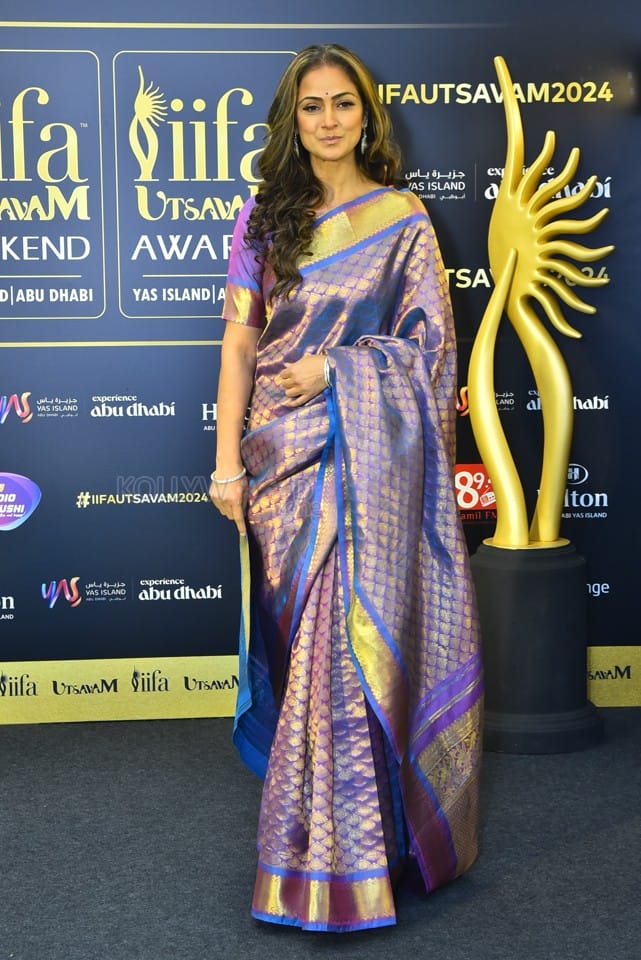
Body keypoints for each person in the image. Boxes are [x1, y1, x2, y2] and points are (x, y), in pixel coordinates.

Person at [209, 42, 482, 933]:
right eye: (312, 106)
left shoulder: (401, 220)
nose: (329, 120)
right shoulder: (262, 220)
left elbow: (430, 353)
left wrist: (337, 371)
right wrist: (224, 463)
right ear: (292, 120)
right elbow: (239, 347)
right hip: (280, 459)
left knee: (344, 648)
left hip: (366, 466)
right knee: (310, 658)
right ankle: (336, 851)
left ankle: (343, 861)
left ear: (367, 116)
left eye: (344, 104)